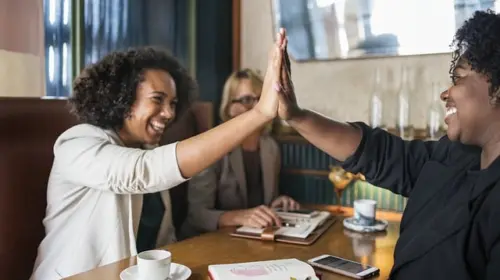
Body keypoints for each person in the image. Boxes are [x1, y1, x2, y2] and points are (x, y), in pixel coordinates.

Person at [30, 29, 288, 280]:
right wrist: (258, 114)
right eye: (158, 99)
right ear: (122, 98)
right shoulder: (76, 143)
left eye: (173, 103)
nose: (169, 113)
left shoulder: (148, 150)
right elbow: (142, 172)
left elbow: (165, 242)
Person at [276, 11, 500, 279]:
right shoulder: (454, 156)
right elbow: (379, 154)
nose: (445, 93)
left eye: (459, 79)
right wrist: (295, 115)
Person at [180, 69, 300, 238]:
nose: (259, 106)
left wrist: (277, 203)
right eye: (247, 100)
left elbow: (260, 205)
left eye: (262, 99)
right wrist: (238, 216)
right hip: (209, 242)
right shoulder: (212, 148)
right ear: (229, 108)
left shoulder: (270, 147)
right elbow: (197, 216)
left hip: (252, 239)